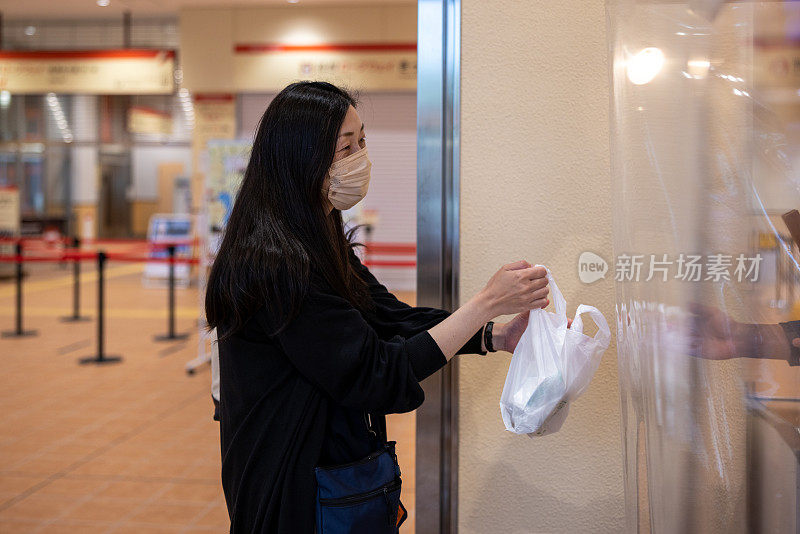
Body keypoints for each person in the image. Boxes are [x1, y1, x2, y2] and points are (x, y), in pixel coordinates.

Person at [204, 81, 552, 533]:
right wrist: (485, 304)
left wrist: (494, 335)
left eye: (362, 141)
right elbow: (374, 372)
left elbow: (390, 317)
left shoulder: (318, 233)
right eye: (345, 147)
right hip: (291, 482)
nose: (360, 158)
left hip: (333, 471)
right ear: (299, 158)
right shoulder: (275, 263)